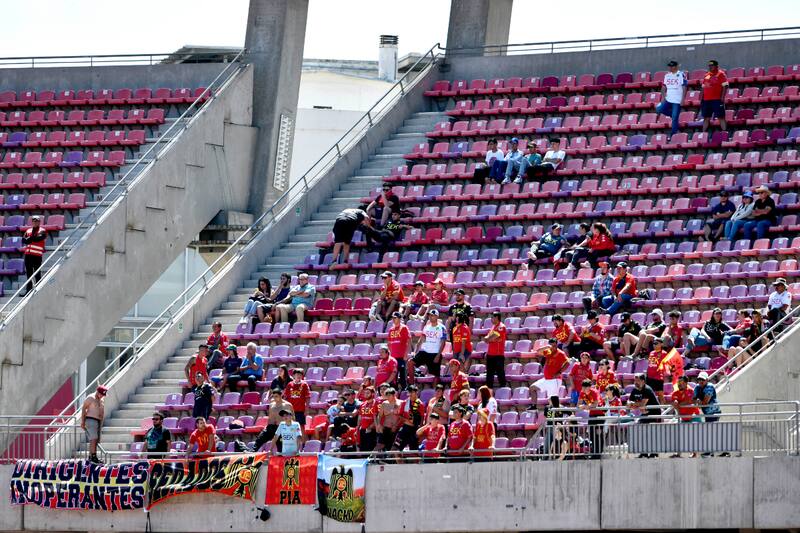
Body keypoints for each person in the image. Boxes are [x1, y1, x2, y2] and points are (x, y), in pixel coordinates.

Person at [408, 309, 447, 387]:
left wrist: (438, 355)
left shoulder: (441, 328)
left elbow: (443, 342)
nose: (431, 317)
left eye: (433, 315)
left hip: (435, 353)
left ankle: (434, 391)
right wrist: (415, 351)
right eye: (430, 315)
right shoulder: (427, 326)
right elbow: (421, 339)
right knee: (410, 362)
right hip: (425, 351)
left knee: (436, 374)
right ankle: (412, 385)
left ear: (437, 316)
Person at [628, 374, 661, 457]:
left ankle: (654, 453)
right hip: (645, 414)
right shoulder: (634, 390)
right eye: (635, 381)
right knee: (641, 431)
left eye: (638, 381)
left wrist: (634, 404)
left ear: (643, 381)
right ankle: (644, 452)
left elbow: (643, 403)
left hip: (654, 414)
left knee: (652, 433)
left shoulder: (647, 389)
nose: (636, 383)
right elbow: (628, 403)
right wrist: (632, 404)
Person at [656, 60, 687, 136]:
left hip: (677, 99)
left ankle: (674, 134)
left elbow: (684, 87)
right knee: (659, 108)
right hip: (668, 98)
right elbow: (663, 87)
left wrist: (683, 99)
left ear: (676, 67)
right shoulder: (667, 75)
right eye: (669, 66)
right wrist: (663, 96)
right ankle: (673, 116)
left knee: (674, 117)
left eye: (672, 66)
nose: (670, 68)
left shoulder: (681, 74)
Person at [577, 379, 604, 459]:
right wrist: (580, 406)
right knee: (591, 434)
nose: (583, 390)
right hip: (592, 414)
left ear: (589, 387)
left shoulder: (594, 392)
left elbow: (595, 404)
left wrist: (585, 406)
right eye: (583, 388)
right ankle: (594, 451)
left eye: (585, 388)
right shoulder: (582, 392)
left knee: (598, 433)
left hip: (600, 414)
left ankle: (599, 453)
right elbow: (579, 403)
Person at [393, 385, 425, 452]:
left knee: (414, 451)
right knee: (396, 448)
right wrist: (406, 420)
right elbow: (399, 415)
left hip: (414, 430)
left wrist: (420, 431)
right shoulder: (405, 402)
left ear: (416, 392)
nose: (410, 394)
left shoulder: (419, 404)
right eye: (409, 392)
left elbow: (422, 418)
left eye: (412, 392)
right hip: (405, 428)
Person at [21, 215, 47, 295]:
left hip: (37, 256)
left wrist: (30, 239)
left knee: (37, 273)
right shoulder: (28, 230)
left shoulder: (43, 230)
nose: (35, 222)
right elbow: (23, 240)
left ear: (39, 222)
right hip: (28, 255)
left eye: (37, 221)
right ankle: (28, 291)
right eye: (34, 221)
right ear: (32, 222)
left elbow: (38, 238)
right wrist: (31, 238)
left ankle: (39, 291)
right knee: (29, 273)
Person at [700, 59, 729, 132]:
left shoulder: (721, 74)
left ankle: (724, 132)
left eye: (712, 66)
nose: (710, 67)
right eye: (709, 66)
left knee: (721, 117)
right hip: (706, 100)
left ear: (717, 66)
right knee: (706, 117)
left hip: (717, 99)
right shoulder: (707, 75)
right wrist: (701, 97)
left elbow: (725, 86)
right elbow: (704, 86)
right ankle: (703, 134)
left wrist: (722, 97)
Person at [81, 385, 107, 463]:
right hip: (91, 419)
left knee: (95, 440)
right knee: (93, 438)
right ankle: (93, 456)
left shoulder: (101, 400)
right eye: (101, 394)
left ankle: (91, 456)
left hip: (97, 421)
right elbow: (84, 409)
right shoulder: (91, 398)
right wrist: (83, 421)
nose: (102, 396)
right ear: (98, 392)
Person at [387, 312, 411, 390]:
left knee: (402, 376)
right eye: (393, 318)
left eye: (395, 318)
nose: (393, 319)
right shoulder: (391, 329)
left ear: (399, 319)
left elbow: (408, 340)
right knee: (394, 376)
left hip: (401, 356)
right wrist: (390, 355)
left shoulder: (404, 328)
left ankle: (404, 391)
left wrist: (406, 353)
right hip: (393, 357)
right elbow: (389, 343)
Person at [484, 311, 508, 389]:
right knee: (489, 373)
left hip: (498, 354)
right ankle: (489, 389)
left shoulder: (501, 326)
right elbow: (487, 339)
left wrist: (489, 338)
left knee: (500, 372)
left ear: (497, 317)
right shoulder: (493, 327)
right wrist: (489, 338)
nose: (491, 319)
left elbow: (491, 337)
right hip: (490, 354)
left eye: (492, 317)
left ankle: (503, 388)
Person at [645, 338, 668, 405]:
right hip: (649, 376)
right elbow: (650, 363)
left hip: (658, 376)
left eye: (656, 343)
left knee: (660, 394)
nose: (654, 345)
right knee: (648, 393)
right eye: (653, 343)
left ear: (661, 344)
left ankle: (664, 409)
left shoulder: (664, 353)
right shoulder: (651, 352)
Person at [356, 386, 378, 452]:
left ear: (373, 394)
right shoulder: (362, 404)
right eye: (365, 393)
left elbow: (378, 418)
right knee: (363, 449)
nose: (366, 394)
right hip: (363, 429)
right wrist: (358, 427)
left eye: (368, 393)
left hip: (372, 430)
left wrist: (370, 427)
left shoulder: (376, 403)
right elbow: (360, 417)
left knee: (371, 448)